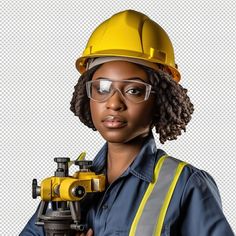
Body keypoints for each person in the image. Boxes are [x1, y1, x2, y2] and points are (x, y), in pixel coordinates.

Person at [20, 10, 234, 236]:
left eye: (133, 90)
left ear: (159, 99)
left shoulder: (185, 185)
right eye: (102, 88)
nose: (114, 103)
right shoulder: (67, 187)